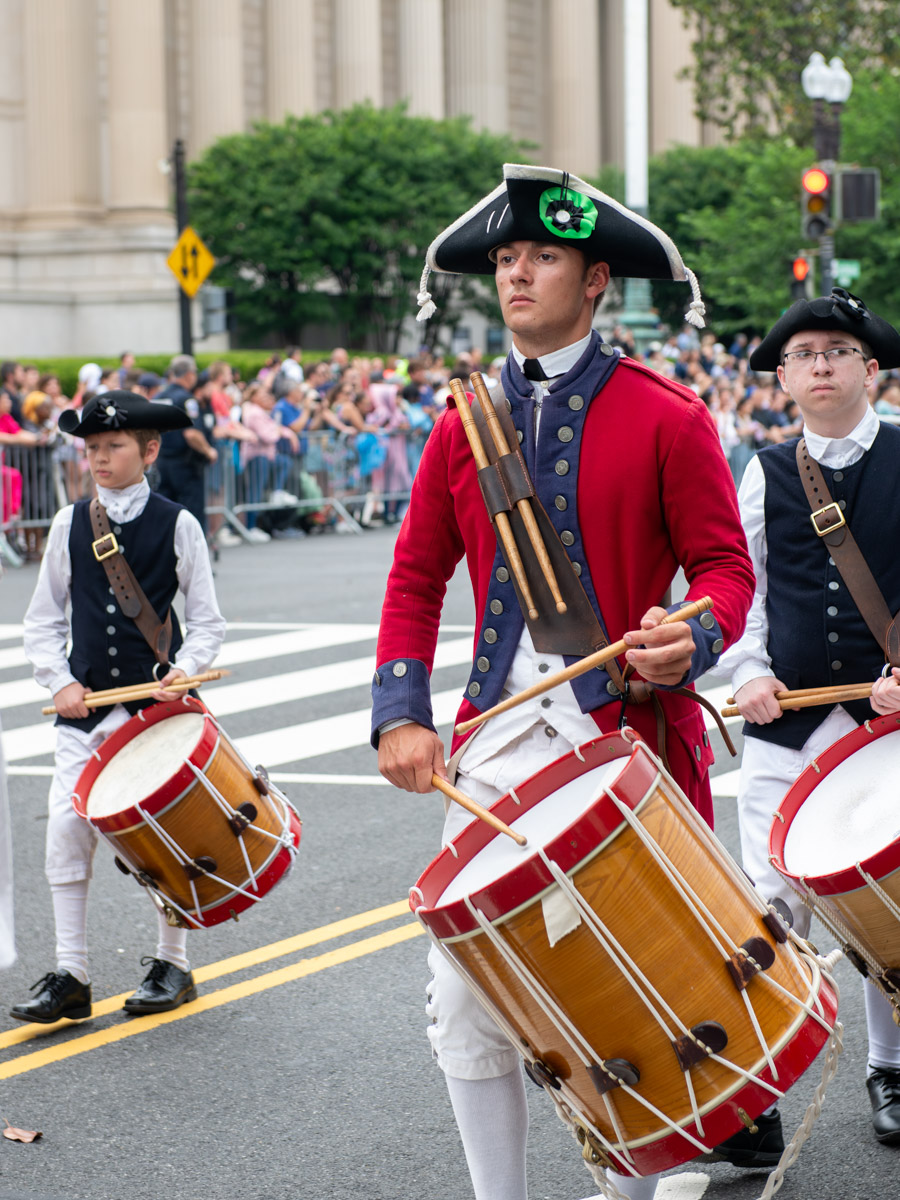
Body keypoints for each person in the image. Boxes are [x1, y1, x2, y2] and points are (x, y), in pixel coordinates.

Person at [372, 164, 755, 1200]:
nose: (517, 274)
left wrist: (690, 634)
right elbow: (415, 576)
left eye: (543, 256)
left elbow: (726, 569)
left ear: (594, 282)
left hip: (623, 743)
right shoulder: (462, 422)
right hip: (494, 745)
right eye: (506, 257)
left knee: (617, 990)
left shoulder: (668, 415)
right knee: (462, 993)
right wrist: (400, 713)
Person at [720, 288, 900, 1149]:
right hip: (784, 727)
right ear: (785, 379)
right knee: (766, 910)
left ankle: (889, 1066)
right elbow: (740, 585)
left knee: (887, 907)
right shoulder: (761, 469)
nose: (820, 366)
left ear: (871, 368)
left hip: (884, 729)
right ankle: (754, 1093)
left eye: (836, 352)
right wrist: (749, 671)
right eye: (803, 356)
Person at [12, 391, 226, 1025]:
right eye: (93, 449)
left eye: (114, 447)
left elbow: (207, 622)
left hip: (154, 714)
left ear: (150, 451)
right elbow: (42, 620)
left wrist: (185, 670)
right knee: (65, 829)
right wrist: (57, 681)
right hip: (84, 710)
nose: (100, 459)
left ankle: (172, 964)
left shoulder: (178, 524)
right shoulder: (68, 523)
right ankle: (72, 974)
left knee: (164, 836)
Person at [155, 355, 218, 537]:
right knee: (191, 513)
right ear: (190, 374)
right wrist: (209, 451)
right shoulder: (186, 399)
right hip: (185, 463)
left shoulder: (159, 397)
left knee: (166, 513)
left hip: (162, 460)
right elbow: (191, 433)